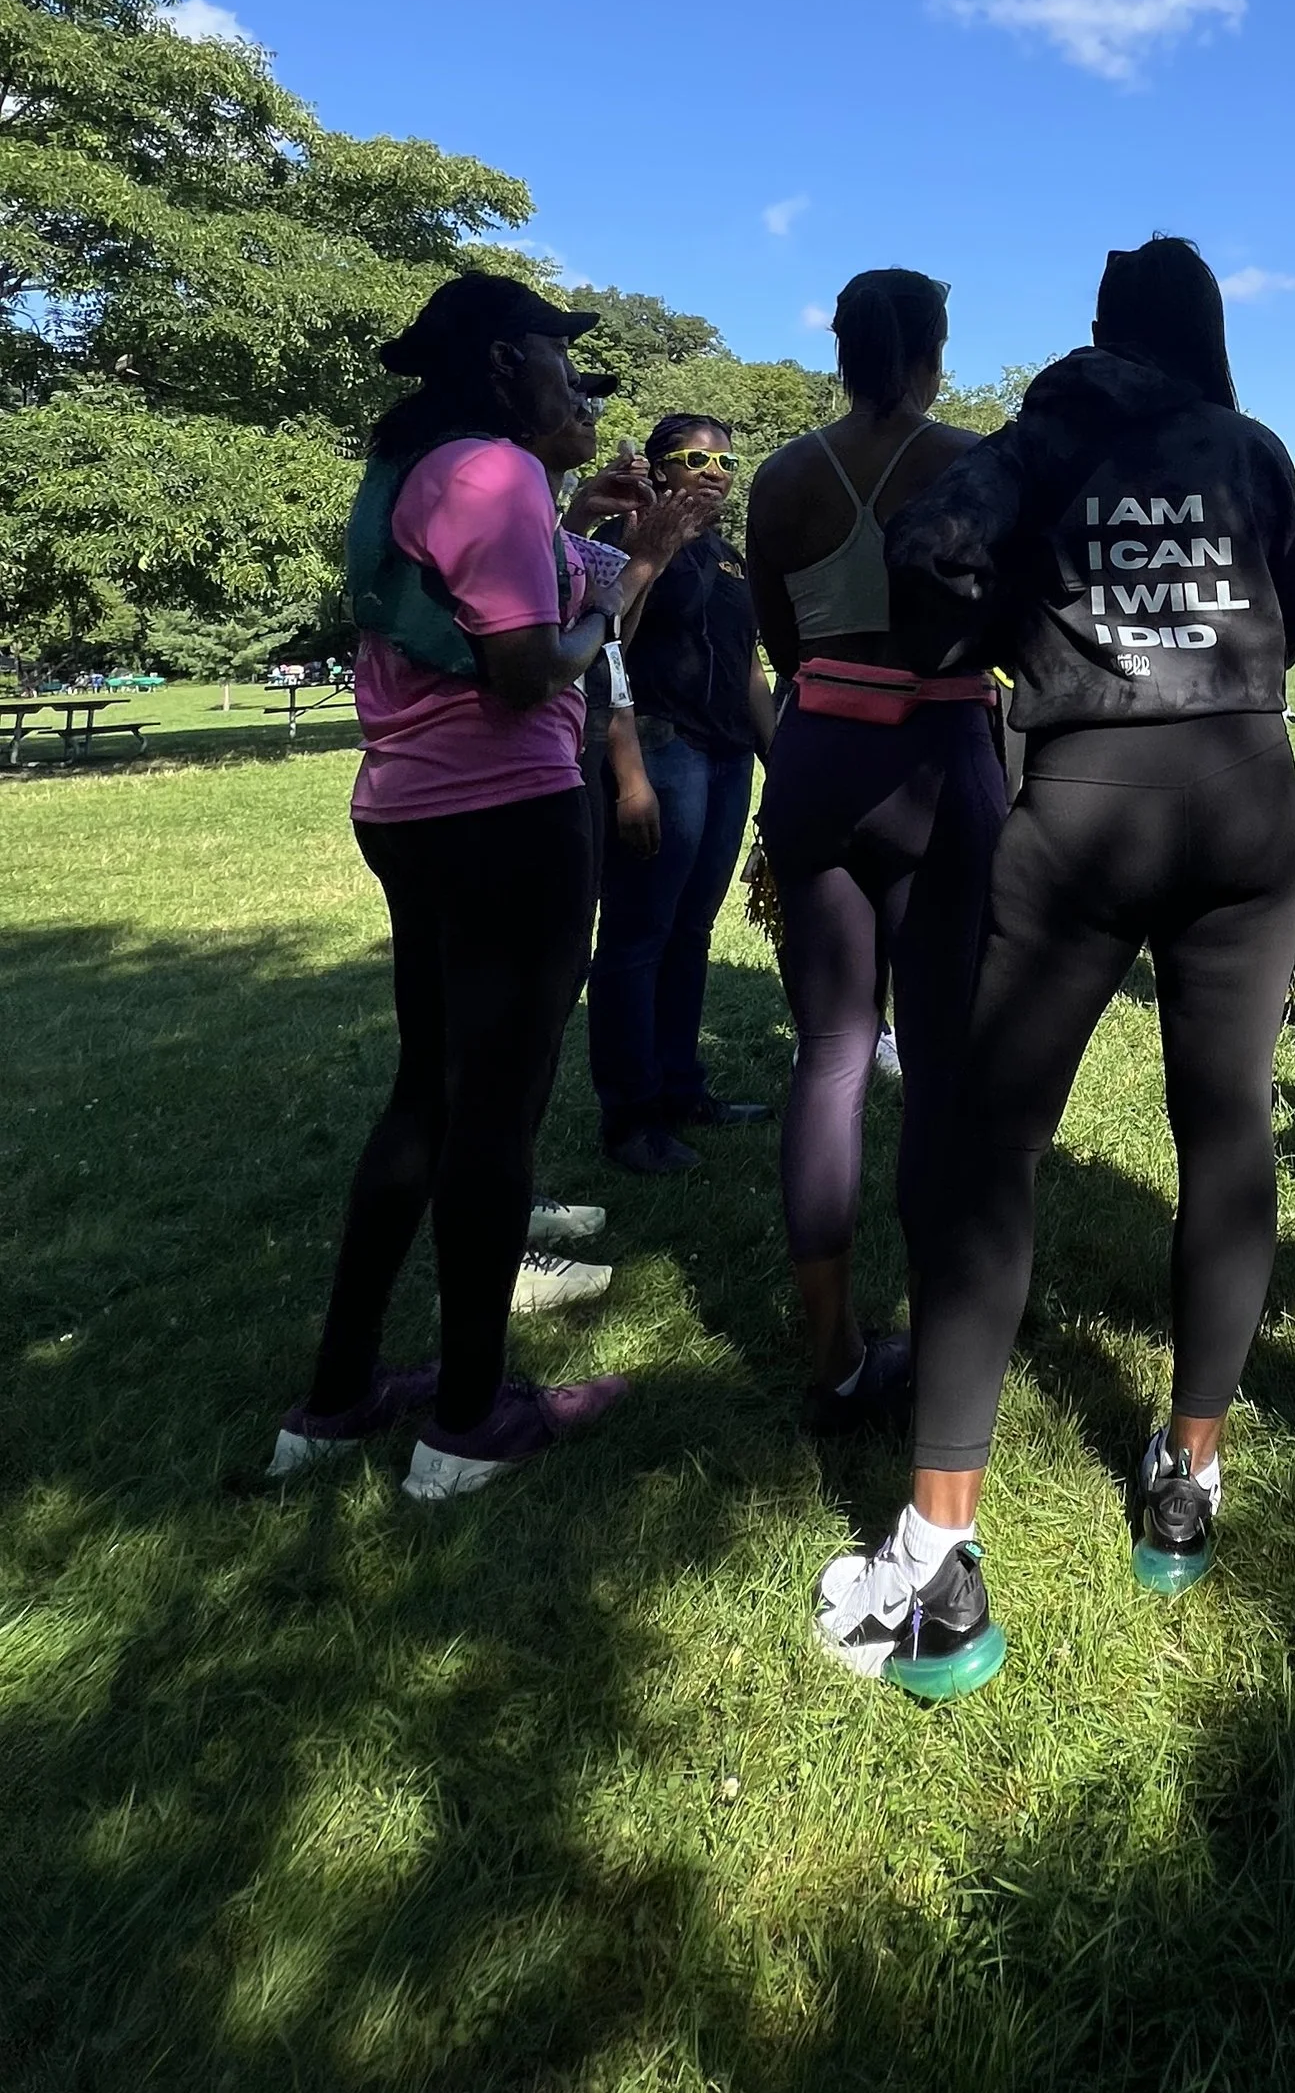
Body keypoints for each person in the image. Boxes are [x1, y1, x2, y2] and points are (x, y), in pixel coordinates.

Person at [813, 239, 1295, 1700]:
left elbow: (925, 547)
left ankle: (937, 1556)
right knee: (1225, 1125)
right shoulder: (1251, 449)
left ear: (1104, 329)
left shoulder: (1045, 432)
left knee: (993, 1146)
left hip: (1084, 797)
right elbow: (1289, 610)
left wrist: (997, 633)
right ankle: (1188, 1481)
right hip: (1247, 794)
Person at [268, 274, 686, 1502]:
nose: (572, 379)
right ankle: (467, 1425)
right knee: (495, 1118)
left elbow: (503, 605)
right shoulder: (493, 472)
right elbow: (524, 669)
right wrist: (615, 599)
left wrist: (605, 555)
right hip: (507, 808)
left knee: (427, 1097)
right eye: (559, 354)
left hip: (408, 804)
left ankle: (335, 1402)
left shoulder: (414, 469)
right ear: (507, 360)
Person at [745, 269, 1006, 1428]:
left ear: (841, 351)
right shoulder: (970, 463)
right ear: (934, 353)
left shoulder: (781, 476)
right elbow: (1007, 621)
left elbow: (782, 643)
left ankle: (831, 1351)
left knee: (830, 1052)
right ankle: (943, 1341)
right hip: (937, 755)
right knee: (940, 1058)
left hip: (815, 753)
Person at [584, 417, 780, 1175]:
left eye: (726, 460)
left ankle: (681, 1089)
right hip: (661, 750)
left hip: (727, 758)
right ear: (660, 467)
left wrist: (777, 757)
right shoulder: (628, 542)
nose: (715, 472)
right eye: (696, 458)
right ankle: (631, 1117)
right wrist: (629, 774)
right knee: (637, 936)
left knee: (691, 930)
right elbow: (605, 653)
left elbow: (748, 665)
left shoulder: (729, 558)